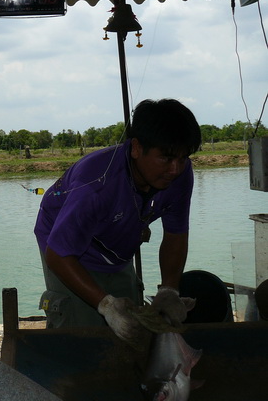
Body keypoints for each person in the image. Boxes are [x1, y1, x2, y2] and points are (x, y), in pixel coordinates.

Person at [34, 99, 201, 348]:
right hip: (66, 248)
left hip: (115, 244)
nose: (174, 169)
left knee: (133, 330)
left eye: (183, 157)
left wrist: (169, 290)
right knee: (81, 334)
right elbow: (58, 255)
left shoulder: (179, 174)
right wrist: (106, 305)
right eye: (165, 158)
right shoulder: (96, 186)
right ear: (136, 148)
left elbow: (176, 233)